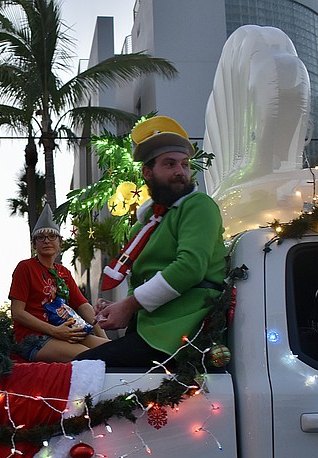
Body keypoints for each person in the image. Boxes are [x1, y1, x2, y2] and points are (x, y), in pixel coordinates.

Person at [75, 116, 227, 369]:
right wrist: (120, 308)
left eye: (185, 164)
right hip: (152, 330)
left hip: (185, 330)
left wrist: (129, 305)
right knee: (81, 368)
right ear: (147, 172)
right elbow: (141, 281)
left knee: (81, 368)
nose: (180, 172)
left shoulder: (198, 205)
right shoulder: (145, 224)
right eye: (170, 164)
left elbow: (190, 267)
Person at [9, 204, 109, 362]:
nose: (46, 241)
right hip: (34, 339)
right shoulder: (25, 267)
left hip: (67, 332)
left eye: (52, 236)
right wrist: (55, 331)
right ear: (34, 244)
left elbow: (83, 306)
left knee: (111, 351)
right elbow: (17, 313)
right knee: (89, 357)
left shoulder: (64, 272)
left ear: (60, 242)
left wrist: (104, 337)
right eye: (41, 237)